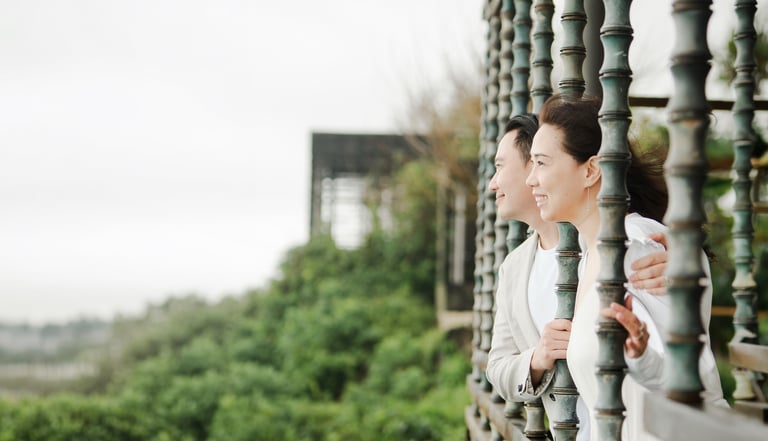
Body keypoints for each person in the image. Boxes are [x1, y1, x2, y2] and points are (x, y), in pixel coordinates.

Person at [525, 94, 726, 441]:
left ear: (590, 171)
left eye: (541, 163)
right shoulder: (594, 254)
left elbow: (683, 377)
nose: (531, 179)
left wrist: (642, 355)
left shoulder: (638, 245)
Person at [485, 113, 669, 441]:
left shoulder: (629, 245)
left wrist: (686, 261)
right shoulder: (515, 268)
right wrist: (538, 357)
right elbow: (496, 366)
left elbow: (670, 371)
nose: (492, 182)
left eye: (500, 166)